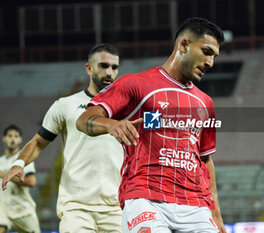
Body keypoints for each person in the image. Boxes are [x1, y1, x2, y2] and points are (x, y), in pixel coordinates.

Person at [76, 17, 227, 233]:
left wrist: (216, 214)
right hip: (145, 197)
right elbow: (84, 120)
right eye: (206, 52)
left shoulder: (205, 103)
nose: (210, 63)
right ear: (183, 45)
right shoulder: (136, 84)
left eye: (214, 56)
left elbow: (205, 160)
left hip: (195, 206)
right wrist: (111, 125)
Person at [2, 43, 124, 233]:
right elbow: (38, 142)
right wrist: (18, 164)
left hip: (117, 208)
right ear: (89, 68)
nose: (110, 72)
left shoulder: (128, 106)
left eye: (114, 67)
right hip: (76, 208)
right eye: (103, 66)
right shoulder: (65, 105)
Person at [0, 124, 40, 233]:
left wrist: (4, 175)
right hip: (3, 209)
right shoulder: (0, 161)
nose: (13, 139)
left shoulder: (22, 160)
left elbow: (31, 182)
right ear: (4, 138)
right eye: (10, 136)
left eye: (16, 136)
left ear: (20, 140)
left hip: (22, 210)